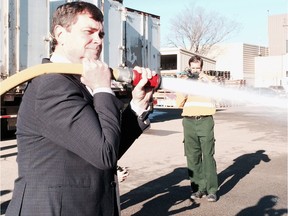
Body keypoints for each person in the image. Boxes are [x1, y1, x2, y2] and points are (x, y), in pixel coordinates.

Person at [6, 2, 155, 216]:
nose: (98, 40)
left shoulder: (74, 81)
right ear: (60, 34)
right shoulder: (51, 85)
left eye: (101, 34)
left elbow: (105, 148)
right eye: (89, 32)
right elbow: (104, 152)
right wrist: (103, 88)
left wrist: (137, 105)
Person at [176, 55, 218, 202]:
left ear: (201, 68)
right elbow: (179, 102)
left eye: (198, 68)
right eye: (193, 68)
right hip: (188, 122)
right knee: (192, 157)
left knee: (207, 155)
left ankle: (211, 190)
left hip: (205, 120)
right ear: (189, 68)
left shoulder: (208, 81)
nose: (195, 70)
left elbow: (217, 96)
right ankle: (198, 189)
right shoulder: (185, 82)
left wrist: (205, 81)